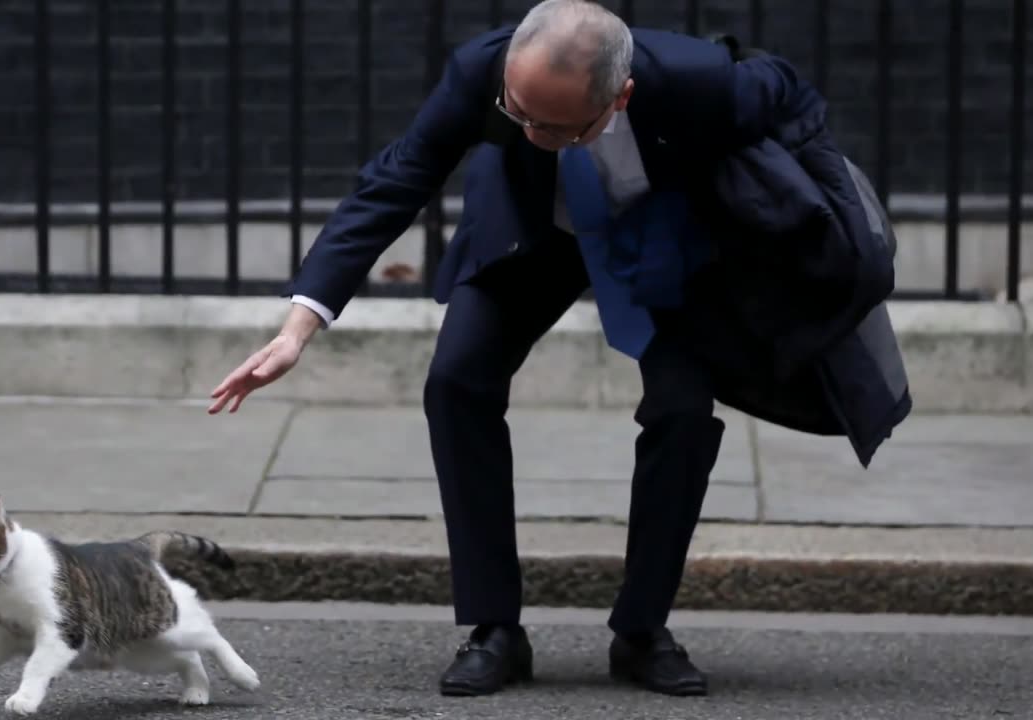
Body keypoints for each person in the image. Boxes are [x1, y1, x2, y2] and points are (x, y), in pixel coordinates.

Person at [208, 0, 911, 700]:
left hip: (658, 241)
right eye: (517, 113)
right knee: (456, 382)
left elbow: (789, 93)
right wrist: (299, 327)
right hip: (534, 236)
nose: (528, 128)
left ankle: (642, 633)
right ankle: (494, 629)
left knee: (684, 410)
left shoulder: (700, 80)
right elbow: (397, 178)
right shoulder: (482, 71)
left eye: (551, 123)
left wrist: (823, 214)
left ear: (619, 96)